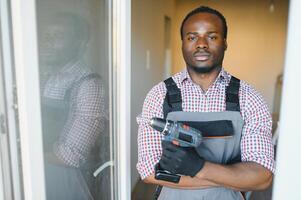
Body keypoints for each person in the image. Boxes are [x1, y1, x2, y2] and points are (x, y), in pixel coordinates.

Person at [136, 6, 274, 200]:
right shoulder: (159, 95)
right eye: (192, 37)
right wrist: (226, 177)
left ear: (225, 43)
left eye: (211, 36)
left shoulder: (249, 98)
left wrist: (198, 167)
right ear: (182, 43)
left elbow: (262, 176)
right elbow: (148, 171)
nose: (201, 44)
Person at [38, 12, 110, 200]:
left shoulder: (89, 84)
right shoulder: (45, 77)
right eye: (46, 35)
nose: (47, 42)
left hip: (70, 183)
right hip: (40, 175)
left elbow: (71, 155)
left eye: (58, 36)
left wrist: (23, 151)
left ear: (78, 44)